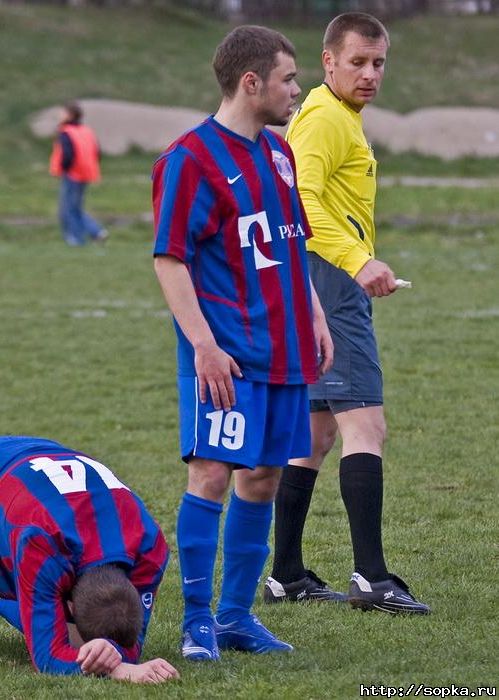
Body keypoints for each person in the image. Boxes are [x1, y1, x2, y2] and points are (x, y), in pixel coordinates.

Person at [152, 25, 334, 661]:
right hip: (226, 356)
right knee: (212, 475)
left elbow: (289, 241)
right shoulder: (190, 160)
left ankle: (235, 616)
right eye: (288, 78)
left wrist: (312, 312)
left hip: (286, 354)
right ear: (251, 83)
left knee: (263, 479)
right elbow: (170, 260)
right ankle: (196, 621)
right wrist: (202, 345)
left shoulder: (279, 153)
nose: (297, 88)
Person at [264, 12, 430, 614]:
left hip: (317, 280)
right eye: (356, 61)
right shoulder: (328, 120)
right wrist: (357, 260)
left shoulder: (333, 115)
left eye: (378, 62)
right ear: (328, 61)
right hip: (329, 281)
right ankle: (371, 577)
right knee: (367, 428)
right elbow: (300, 200)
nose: (369, 74)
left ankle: (285, 573)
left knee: (315, 431)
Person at [0, 436, 179, 684]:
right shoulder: (43, 546)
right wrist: (120, 671)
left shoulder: (151, 550)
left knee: (87, 648)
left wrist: (118, 657)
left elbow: (129, 646)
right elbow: (48, 659)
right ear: (68, 604)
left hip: (36, 491)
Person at [49, 100, 108, 246]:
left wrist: (64, 168)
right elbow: (97, 152)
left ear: (70, 115)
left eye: (62, 113)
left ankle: (76, 239)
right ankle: (96, 232)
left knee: (67, 210)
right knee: (75, 207)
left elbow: (67, 154)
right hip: (86, 173)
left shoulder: (66, 132)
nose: (59, 116)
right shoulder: (87, 131)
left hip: (72, 174)